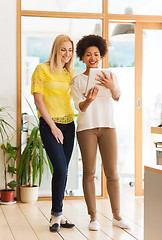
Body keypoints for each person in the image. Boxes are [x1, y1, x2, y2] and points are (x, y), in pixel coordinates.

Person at [71, 35, 130, 231]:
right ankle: (93, 217)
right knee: (89, 173)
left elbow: (117, 96)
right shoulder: (78, 80)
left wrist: (112, 86)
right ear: (82, 57)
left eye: (96, 54)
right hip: (86, 128)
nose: (92, 57)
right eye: (88, 54)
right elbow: (80, 107)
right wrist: (89, 99)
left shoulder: (110, 76)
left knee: (112, 173)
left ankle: (117, 215)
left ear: (101, 55)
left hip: (108, 127)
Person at [31, 34, 75, 232]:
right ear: (56, 49)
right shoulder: (42, 70)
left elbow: (77, 97)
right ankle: (56, 216)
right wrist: (53, 127)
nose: (67, 54)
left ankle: (57, 214)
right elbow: (39, 101)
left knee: (62, 171)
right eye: (63, 49)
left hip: (69, 124)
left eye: (70, 50)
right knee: (61, 169)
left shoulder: (69, 74)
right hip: (50, 125)